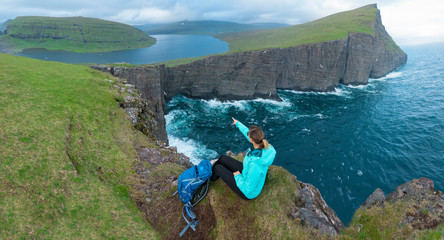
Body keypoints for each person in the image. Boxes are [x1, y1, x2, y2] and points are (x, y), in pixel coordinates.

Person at [210, 117, 276, 200]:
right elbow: (248, 133)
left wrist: (238, 177)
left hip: (247, 192)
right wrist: (238, 123)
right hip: (247, 172)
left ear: (251, 139)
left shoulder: (255, 166)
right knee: (223, 158)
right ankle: (211, 173)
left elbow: (248, 189)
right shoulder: (265, 147)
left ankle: (211, 179)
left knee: (217, 168)